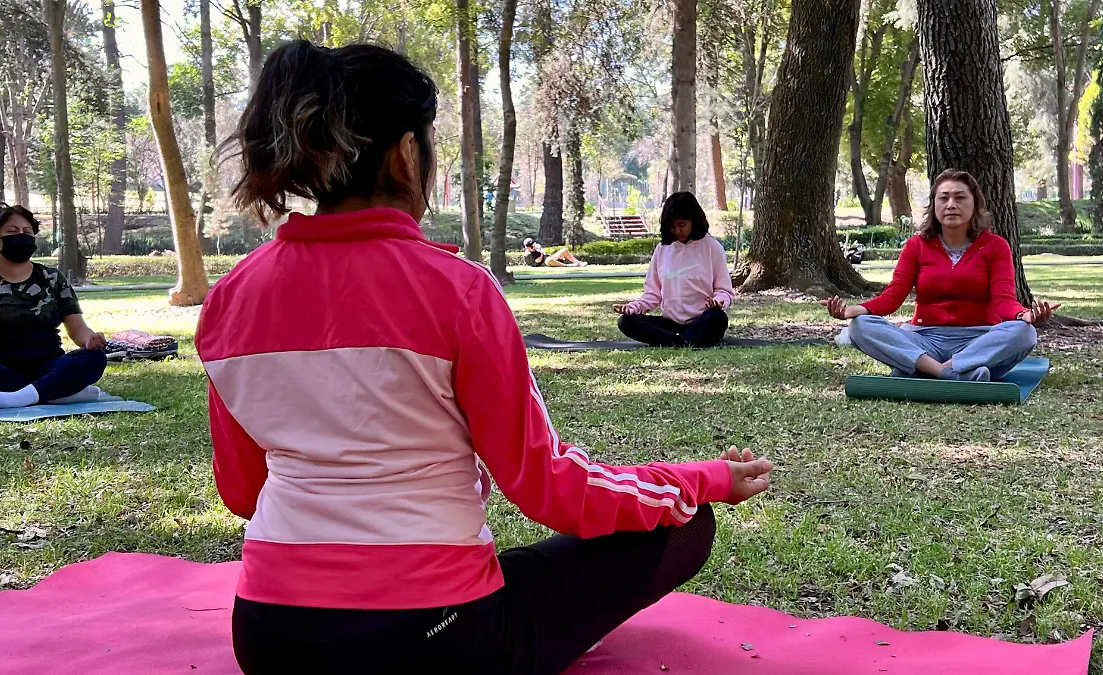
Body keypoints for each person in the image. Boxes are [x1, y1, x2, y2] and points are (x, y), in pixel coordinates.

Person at [197, 41, 774, 675]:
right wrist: (704, 478)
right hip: (433, 641)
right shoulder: (457, 290)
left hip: (270, 639)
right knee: (685, 527)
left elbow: (244, 491)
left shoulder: (230, 301)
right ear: (407, 153)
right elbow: (546, 485)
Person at [821, 169, 1059, 382]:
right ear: (934, 205)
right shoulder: (916, 246)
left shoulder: (995, 246)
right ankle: (951, 373)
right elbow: (893, 296)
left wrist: (1024, 314)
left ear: (975, 204)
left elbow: (1003, 300)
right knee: (860, 327)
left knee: (1024, 333)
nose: (951, 204)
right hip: (924, 339)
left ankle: (928, 370)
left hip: (977, 340)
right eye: (943, 198)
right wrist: (855, 311)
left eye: (960, 197)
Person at [0, 204, 107, 410]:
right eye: (12, 232)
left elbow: (78, 330)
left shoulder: (52, 279)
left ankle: (18, 397)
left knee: (93, 358)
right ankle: (56, 393)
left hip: (50, 365)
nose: (21, 236)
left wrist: (90, 340)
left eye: (27, 232)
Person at [613, 192, 734, 348]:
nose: (677, 231)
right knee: (626, 322)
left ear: (694, 221)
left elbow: (725, 291)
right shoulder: (662, 249)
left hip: (701, 321)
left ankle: (674, 341)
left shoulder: (712, 247)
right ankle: (684, 342)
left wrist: (719, 301)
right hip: (669, 323)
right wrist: (633, 308)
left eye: (682, 225)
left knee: (718, 318)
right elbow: (652, 293)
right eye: (672, 226)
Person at [523, 237, 587, 267]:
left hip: (548, 258)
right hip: (545, 263)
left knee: (564, 250)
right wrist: (538, 259)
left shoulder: (537, 247)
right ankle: (568, 265)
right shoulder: (527, 255)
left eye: (534, 245)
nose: (534, 247)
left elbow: (544, 254)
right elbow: (535, 263)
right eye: (532, 247)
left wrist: (541, 251)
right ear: (527, 248)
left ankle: (578, 263)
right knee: (548, 260)